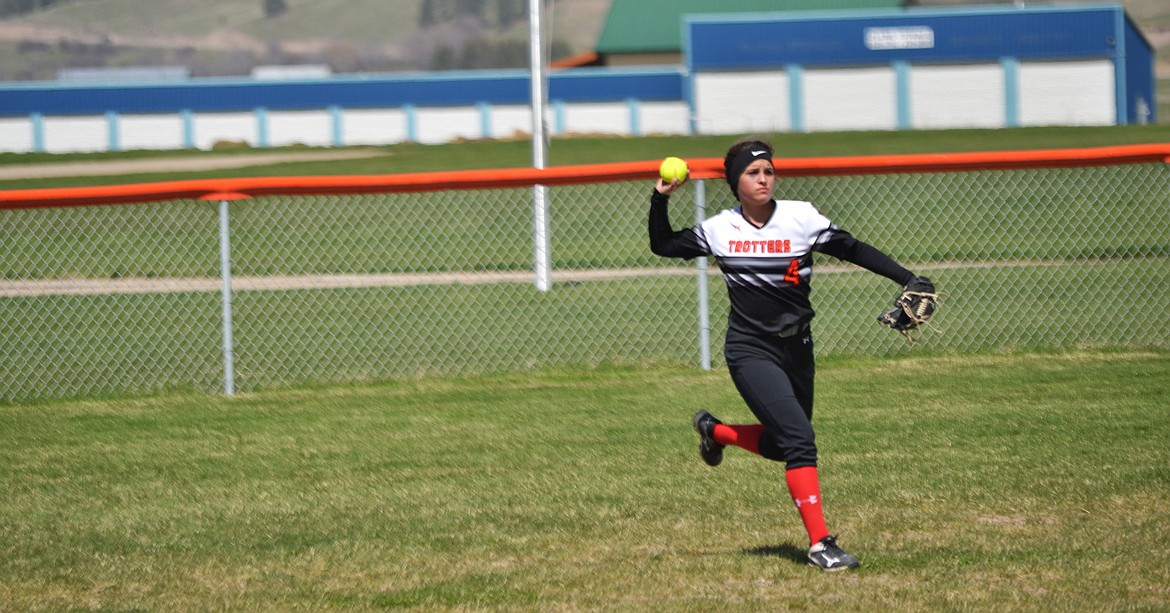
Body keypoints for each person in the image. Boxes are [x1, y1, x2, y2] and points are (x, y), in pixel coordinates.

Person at [648, 139, 932, 572]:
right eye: (752, 173)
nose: (763, 179)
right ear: (735, 183)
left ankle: (715, 430)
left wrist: (909, 277)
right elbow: (663, 244)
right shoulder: (721, 228)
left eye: (768, 171)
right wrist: (660, 198)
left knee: (784, 445)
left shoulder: (801, 218)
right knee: (801, 441)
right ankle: (821, 544)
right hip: (750, 349)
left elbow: (853, 249)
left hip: (798, 347)